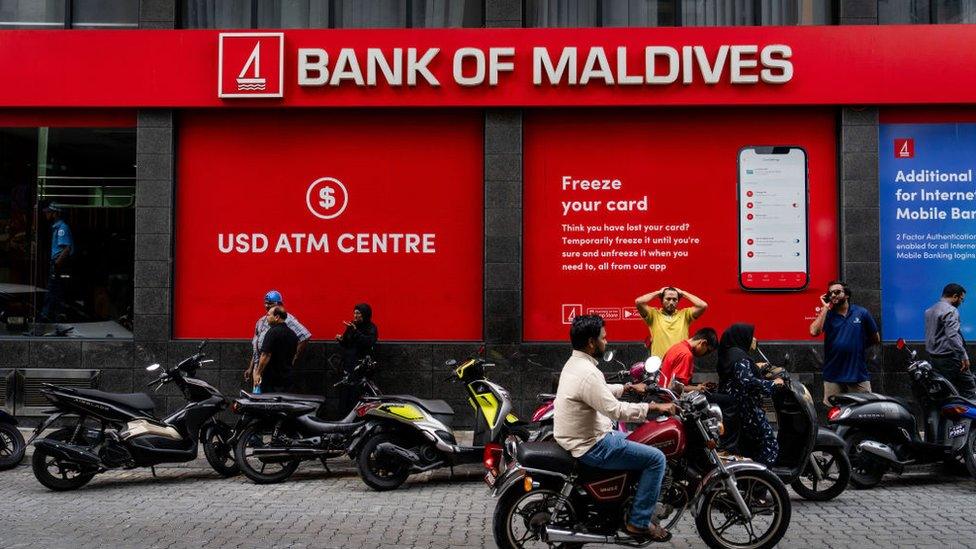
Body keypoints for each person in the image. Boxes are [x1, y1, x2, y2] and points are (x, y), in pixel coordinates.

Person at [553, 314, 677, 541]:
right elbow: (616, 411)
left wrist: (628, 387)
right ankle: (639, 522)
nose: (607, 342)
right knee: (656, 459)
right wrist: (655, 407)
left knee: (637, 439)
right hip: (592, 445)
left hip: (584, 437)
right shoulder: (587, 372)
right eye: (604, 337)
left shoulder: (577, 364)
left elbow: (598, 390)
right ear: (592, 343)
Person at [717, 323, 784, 467]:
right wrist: (774, 384)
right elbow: (747, 382)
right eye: (751, 335)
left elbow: (737, 374)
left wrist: (754, 366)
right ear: (742, 337)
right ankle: (764, 479)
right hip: (748, 409)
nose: (754, 339)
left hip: (736, 410)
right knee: (769, 443)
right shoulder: (740, 357)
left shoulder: (730, 353)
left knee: (749, 447)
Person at [809, 280, 881, 405]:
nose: (833, 295)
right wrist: (825, 308)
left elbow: (876, 338)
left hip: (857, 374)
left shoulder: (862, 313)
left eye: (837, 292)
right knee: (834, 414)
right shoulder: (828, 315)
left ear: (846, 295)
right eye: (830, 293)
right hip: (833, 375)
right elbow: (814, 331)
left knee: (864, 411)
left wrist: (858, 346)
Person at [245, 290, 311, 384]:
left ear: (279, 304)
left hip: (274, 370)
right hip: (258, 368)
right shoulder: (261, 321)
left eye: (270, 303)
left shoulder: (287, 319)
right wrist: (251, 368)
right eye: (266, 303)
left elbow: (305, 335)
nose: (267, 306)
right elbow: (257, 346)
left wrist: (294, 357)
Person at [925, 283, 976, 399]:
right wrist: (964, 356)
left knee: (946, 391)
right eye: (961, 299)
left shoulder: (929, 310)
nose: (961, 303)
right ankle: (968, 417)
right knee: (969, 389)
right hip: (951, 359)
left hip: (934, 358)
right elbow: (952, 335)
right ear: (955, 296)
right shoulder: (951, 310)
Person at [635, 286, 708, 358]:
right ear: (662, 300)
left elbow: (703, 305)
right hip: (659, 365)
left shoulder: (685, 315)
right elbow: (639, 302)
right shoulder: (653, 314)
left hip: (680, 362)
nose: (671, 302)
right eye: (668, 299)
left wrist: (683, 293)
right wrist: (658, 293)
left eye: (674, 299)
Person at [335, 303, 378, 415]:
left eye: (358, 313)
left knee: (357, 393)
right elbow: (347, 343)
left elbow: (368, 342)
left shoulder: (371, 327)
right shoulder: (352, 326)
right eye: (354, 313)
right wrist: (341, 340)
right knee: (345, 393)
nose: (355, 315)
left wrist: (356, 332)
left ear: (365, 314)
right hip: (348, 365)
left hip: (361, 366)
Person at [251, 306, 298, 393]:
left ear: (277, 317)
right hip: (287, 379)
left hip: (272, 380)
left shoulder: (272, 332)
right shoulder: (293, 334)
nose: (266, 318)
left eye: (268, 315)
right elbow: (294, 355)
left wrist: (258, 373)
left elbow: (265, 355)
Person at [39, 202, 73, 322]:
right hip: (57, 264)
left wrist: (56, 264)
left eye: (49, 212)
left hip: (58, 264)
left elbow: (67, 249)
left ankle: (44, 316)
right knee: (56, 291)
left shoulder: (62, 228)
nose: (46, 214)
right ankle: (57, 315)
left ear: (56, 213)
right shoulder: (56, 227)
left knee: (52, 290)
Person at [658, 327, 718, 392]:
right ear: (703, 343)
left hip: (660, 394)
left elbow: (677, 383)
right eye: (708, 351)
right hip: (667, 398)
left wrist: (698, 386)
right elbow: (673, 386)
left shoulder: (676, 347)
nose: (705, 355)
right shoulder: (686, 354)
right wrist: (697, 389)